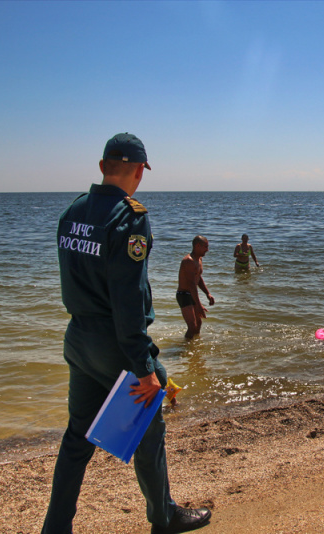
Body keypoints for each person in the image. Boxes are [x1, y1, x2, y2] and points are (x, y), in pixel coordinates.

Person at [43, 133, 211, 534]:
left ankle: (56, 527)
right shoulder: (130, 216)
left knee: (77, 438)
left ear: (102, 167)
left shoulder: (72, 212)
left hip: (78, 340)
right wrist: (143, 365)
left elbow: (73, 282)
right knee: (149, 431)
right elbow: (128, 297)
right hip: (116, 346)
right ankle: (164, 517)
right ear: (140, 170)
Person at [176, 235, 215, 339]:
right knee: (192, 326)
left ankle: (194, 347)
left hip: (191, 294)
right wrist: (198, 305)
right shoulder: (189, 261)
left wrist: (208, 293)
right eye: (206, 247)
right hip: (184, 295)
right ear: (197, 246)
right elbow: (192, 285)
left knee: (198, 323)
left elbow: (198, 278)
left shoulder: (199, 259)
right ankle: (185, 348)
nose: (207, 250)